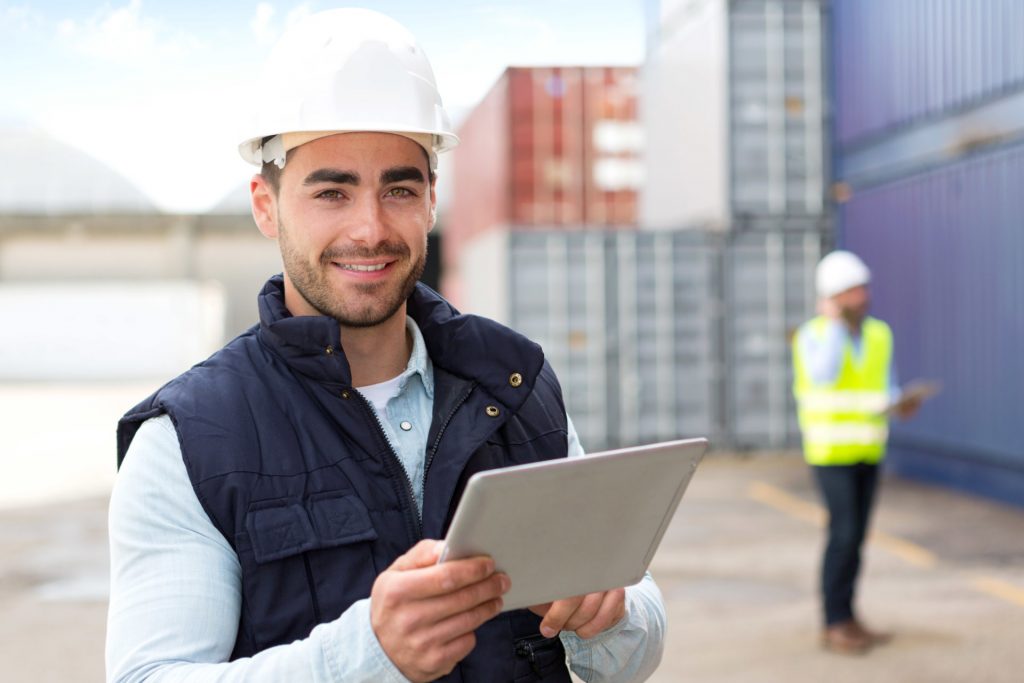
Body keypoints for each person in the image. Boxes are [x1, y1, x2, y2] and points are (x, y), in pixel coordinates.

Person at [105, 8, 665, 683]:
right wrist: (363, 654)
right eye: (332, 192)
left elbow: (633, 648)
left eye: (398, 188)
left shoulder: (514, 384)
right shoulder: (190, 438)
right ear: (265, 204)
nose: (369, 229)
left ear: (431, 199)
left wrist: (613, 613)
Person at [792, 250, 921, 655]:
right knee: (843, 535)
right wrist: (834, 325)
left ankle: (848, 616)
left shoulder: (879, 333)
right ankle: (834, 623)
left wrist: (900, 403)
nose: (861, 297)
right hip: (830, 454)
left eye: (863, 289)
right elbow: (824, 375)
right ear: (832, 296)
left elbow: (884, 386)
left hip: (868, 449)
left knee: (858, 538)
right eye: (851, 291)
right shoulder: (813, 335)